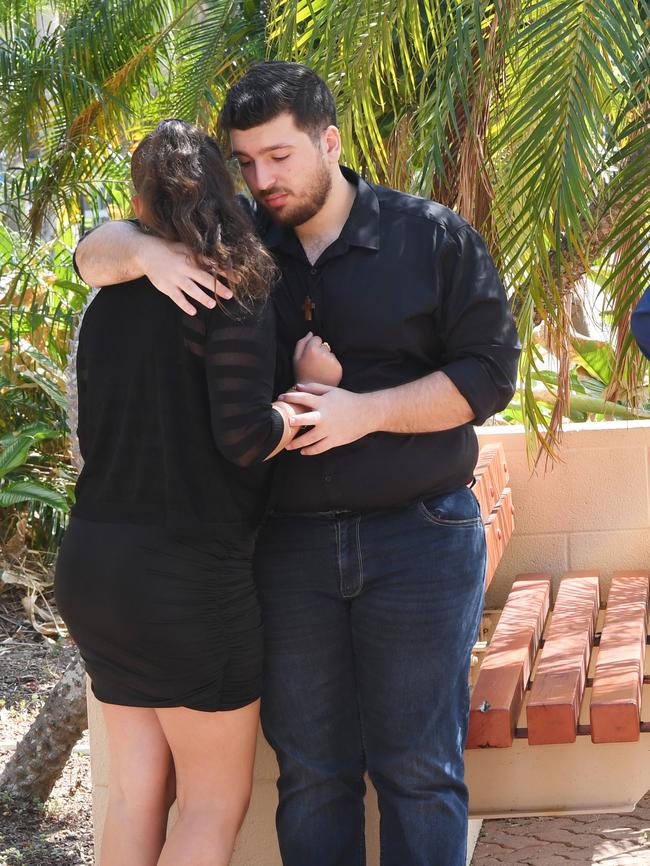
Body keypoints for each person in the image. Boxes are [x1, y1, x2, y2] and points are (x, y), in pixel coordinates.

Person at [74, 63, 521, 866]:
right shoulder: (235, 247)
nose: (262, 178)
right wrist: (144, 249)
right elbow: (90, 255)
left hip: (417, 537)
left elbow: (489, 378)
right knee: (313, 776)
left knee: (420, 772)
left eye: (279, 156)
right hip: (284, 549)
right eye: (244, 161)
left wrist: (367, 413)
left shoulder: (433, 237)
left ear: (330, 141)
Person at [56, 118, 340, 866]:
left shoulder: (109, 295)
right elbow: (244, 437)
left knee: (135, 791)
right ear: (221, 181)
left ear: (140, 199)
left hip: (94, 565)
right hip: (185, 579)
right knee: (214, 804)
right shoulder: (234, 285)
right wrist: (307, 393)